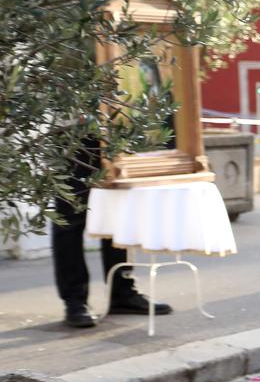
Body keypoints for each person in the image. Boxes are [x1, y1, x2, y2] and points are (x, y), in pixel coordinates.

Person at [51, 139, 171, 328]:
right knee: (69, 220)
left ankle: (122, 292)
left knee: (118, 214)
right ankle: (75, 301)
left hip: (114, 134)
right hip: (71, 135)